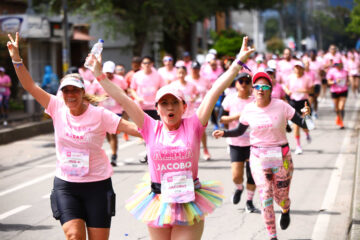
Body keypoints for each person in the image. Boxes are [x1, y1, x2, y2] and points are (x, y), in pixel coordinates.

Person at [87, 36, 255, 240]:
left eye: (174, 103)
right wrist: (98, 74)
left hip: (189, 200)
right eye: (164, 103)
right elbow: (122, 97)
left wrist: (237, 62)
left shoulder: (193, 124)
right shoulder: (149, 126)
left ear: (183, 107)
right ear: (156, 109)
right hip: (158, 201)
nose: (169, 107)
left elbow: (215, 90)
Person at [6, 32, 141, 240]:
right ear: (61, 93)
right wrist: (16, 59)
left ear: (82, 92)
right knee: (74, 235)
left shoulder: (99, 114)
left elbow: (132, 128)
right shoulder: (56, 106)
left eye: (75, 91)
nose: (70, 95)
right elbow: (30, 86)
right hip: (67, 185)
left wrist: (166, 131)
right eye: (66, 91)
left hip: (97, 185)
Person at [212, 71, 311, 240]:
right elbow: (239, 130)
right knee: (265, 195)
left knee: (282, 196)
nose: (260, 89)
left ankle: (285, 209)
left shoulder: (282, 106)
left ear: (270, 89)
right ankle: (272, 236)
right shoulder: (249, 109)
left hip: (282, 157)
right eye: (257, 86)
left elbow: (302, 123)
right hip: (258, 158)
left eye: (265, 86)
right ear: (253, 89)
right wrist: (224, 133)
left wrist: (307, 114)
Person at [219, 72, 257, 212]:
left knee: (252, 174)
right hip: (235, 142)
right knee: (236, 175)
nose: (244, 84)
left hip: (254, 142)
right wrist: (239, 116)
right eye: (241, 81)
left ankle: (249, 201)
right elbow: (221, 119)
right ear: (236, 84)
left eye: (247, 82)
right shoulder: (230, 99)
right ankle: (239, 188)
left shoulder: (255, 100)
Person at [96, 61, 128, 166]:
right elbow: (92, 94)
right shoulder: (98, 80)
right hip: (102, 111)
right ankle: (113, 149)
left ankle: (114, 156)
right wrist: (101, 97)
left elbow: (125, 91)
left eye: (110, 72)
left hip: (116, 111)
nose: (108, 75)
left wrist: (119, 97)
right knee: (107, 134)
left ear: (114, 71)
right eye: (106, 73)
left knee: (113, 133)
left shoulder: (120, 80)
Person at [283, 61, 313, 155]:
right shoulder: (290, 77)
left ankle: (307, 133)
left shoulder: (307, 78)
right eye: (296, 67)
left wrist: (303, 90)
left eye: (299, 67)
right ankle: (298, 146)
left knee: (304, 124)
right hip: (293, 102)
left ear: (303, 69)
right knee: (296, 125)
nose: (297, 69)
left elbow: (311, 90)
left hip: (304, 103)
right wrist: (287, 91)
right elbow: (285, 87)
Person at [186, 61, 212, 160]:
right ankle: (191, 151)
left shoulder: (205, 80)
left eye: (197, 69)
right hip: (189, 108)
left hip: (202, 107)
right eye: (193, 69)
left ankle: (205, 149)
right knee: (190, 131)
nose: (195, 71)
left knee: (201, 129)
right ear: (190, 69)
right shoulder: (187, 79)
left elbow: (211, 91)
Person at [326, 59, 349, 129]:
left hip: (343, 90)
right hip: (334, 91)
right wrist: (335, 81)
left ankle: (341, 123)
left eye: (338, 64)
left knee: (341, 107)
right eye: (335, 64)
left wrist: (348, 82)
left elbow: (347, 80)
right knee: (336, 108)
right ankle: (339, 117)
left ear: (342, 64)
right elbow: (329, 82)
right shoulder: (331, 71)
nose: (337, 66)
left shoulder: (345, 71)